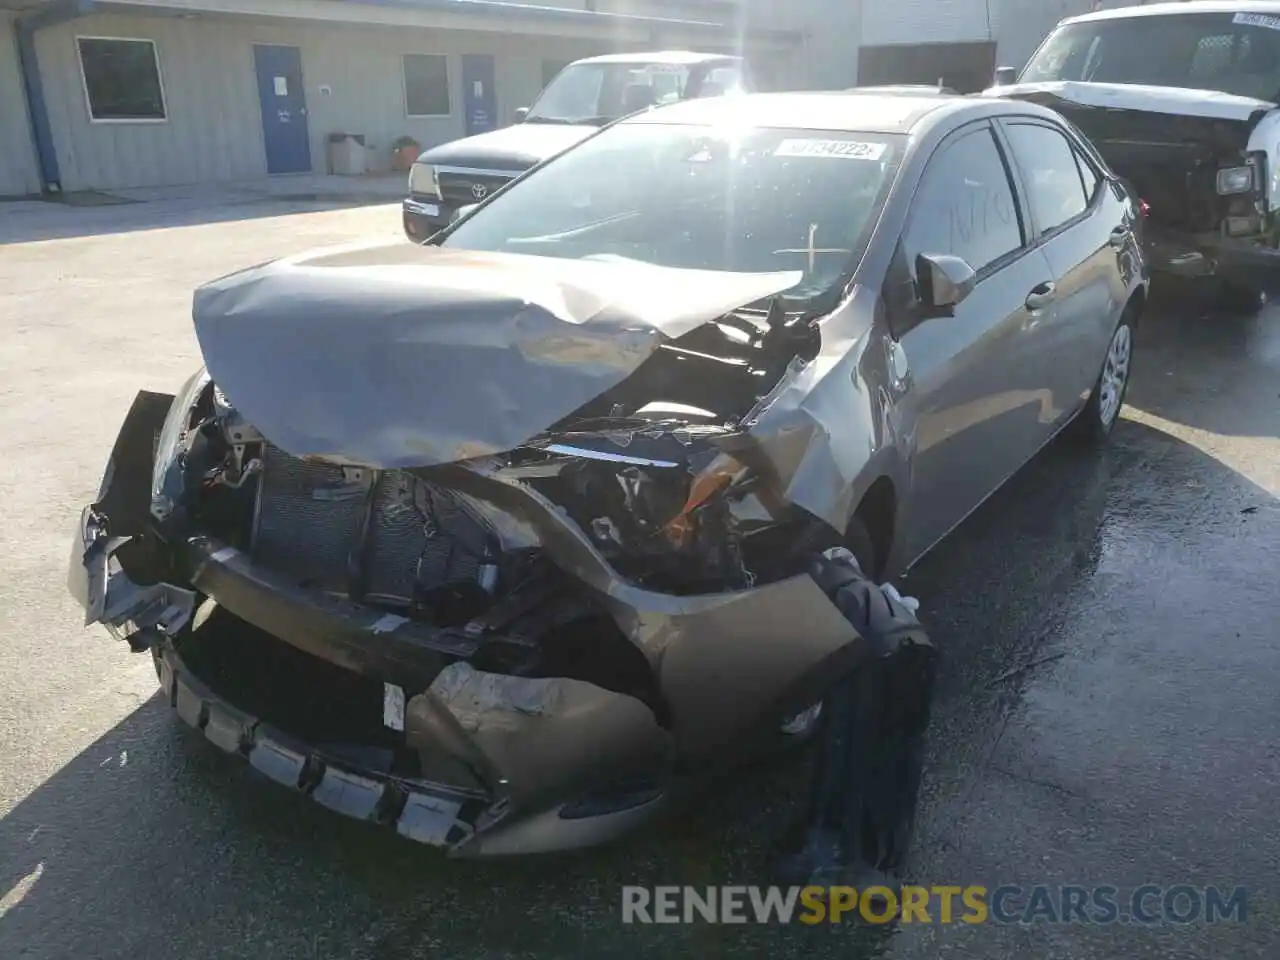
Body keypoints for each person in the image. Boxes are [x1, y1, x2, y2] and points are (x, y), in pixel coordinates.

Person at [777, 547, 939, 889]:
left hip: (873, 657)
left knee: (846, 750)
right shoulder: (860, 585)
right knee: (897, 760)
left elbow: (803, 685)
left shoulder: (806, 596)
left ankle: (829, 860)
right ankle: (879, 862)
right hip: (917, 652)